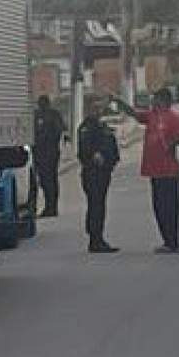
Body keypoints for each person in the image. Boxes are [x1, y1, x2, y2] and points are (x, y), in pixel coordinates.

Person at [115, 87, 179, 252]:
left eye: (156, 98)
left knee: (169, 207)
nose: (153, 101)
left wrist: (172, 144)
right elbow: (134, 113)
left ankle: (172, 242)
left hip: (168, 170)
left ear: (163, 100)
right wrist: (118, 101)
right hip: (154, 169)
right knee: (158, 207)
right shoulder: (152, 115)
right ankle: (167, 241)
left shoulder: (171, 117)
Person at [76, 96, 120, 253]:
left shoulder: (102, 125)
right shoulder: (87, 127)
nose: (98, 110)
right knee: (95, 205)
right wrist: (96, 155)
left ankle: (98, 237)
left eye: (99, 107)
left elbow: (110, 144)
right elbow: (85, 149)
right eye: (95, 107)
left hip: (103, 172)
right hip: (93, 173)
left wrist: (112, 160)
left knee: (99, 205)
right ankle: (95, 239)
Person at [31, 92, 64, 217]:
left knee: (49, 180)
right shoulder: (39, 115)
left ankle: (51, 207)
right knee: (47, 180)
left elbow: (58, 131)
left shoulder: (52, 115)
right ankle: (50, 206)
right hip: (43, 153)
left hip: (48, 153)